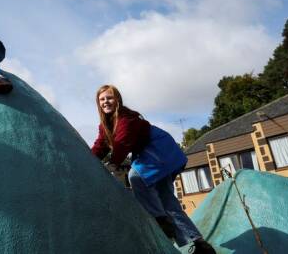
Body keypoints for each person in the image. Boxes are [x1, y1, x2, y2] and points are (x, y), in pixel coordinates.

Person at [90, 85, 216, 253]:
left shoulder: (126, 118)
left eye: (109, 97)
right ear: (98, 103)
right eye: (102, 99)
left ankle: (160, 220)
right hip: (149, 153)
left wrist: (113, 164)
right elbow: (100, 146)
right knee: (167, 201)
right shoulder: (105, 125)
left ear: (117, 100)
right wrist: (87, 159)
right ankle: (197, 244)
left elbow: (122, 142)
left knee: (136, 176)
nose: (106, 101)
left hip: (157, 148)